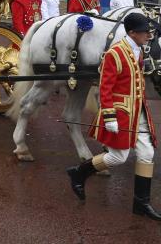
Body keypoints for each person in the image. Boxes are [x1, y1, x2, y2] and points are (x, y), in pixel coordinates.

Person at [66, 13, 160, 220]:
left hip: (139, 112)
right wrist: (110, 118)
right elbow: (105, 88)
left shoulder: (139, 49)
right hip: (121, 113)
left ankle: (141, 203)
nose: (148, 35)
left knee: (146, 154)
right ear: (133, 33)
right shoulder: (114, 53)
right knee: (119, 157)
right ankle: (80, 173)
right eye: (145, 31)